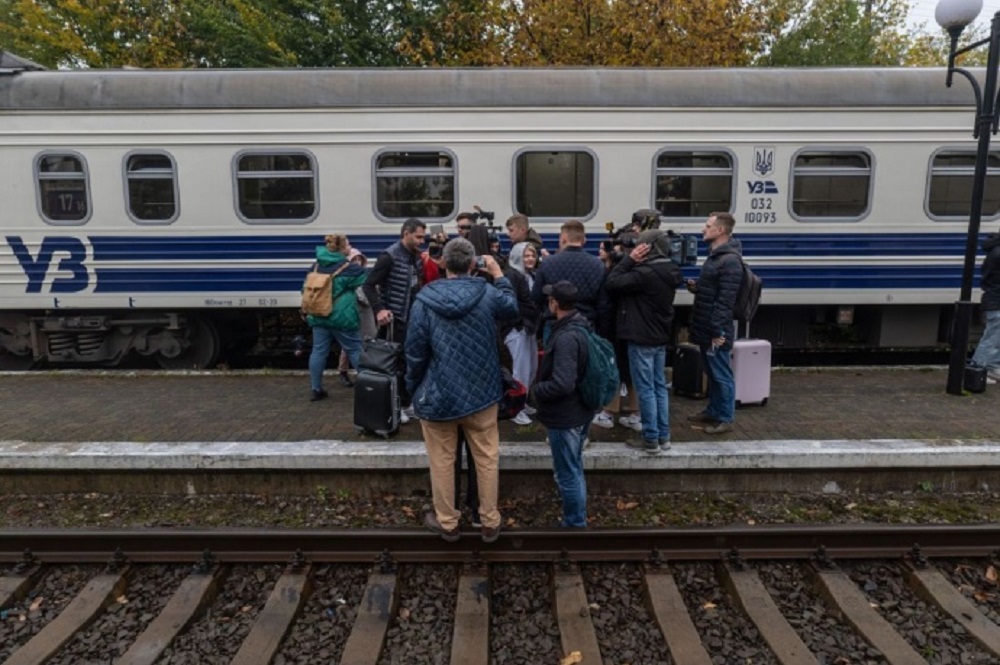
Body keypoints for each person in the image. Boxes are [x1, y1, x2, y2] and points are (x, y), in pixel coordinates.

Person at [405, 237, 518, 543]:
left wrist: (413, 388)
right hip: (482, 393)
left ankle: (448, 522)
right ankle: (489, 520)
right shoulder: (487, 292)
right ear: (472, 265)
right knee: (486, 457)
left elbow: (414, 352)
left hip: (439, 395)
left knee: (442, 460)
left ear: (443, 264)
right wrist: (498, 274)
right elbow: (512, 308)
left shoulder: (425, 299)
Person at [604, 230, 683, 452]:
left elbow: (612, 282)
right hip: (659, 335)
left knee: (645, 387)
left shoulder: (645, 274)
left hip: (641, 336)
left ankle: (650, 438)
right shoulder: (671, 270)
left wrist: (629, 260)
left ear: (647, 248)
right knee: (659, 386)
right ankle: (663, 436)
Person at [529, 280, 593, 528]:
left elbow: (563, 383)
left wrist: (536, 391)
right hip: (580, 410)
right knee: (574, 467)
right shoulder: (581, 325)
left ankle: (575, 523)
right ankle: (576, 517)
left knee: (567, 472)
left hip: (566, 416)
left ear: (554, 303)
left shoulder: (567, 336)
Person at [362, 218, 426, 422]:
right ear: (406, 233)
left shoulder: (415, 257)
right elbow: (368, 285)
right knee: (394, 364)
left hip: (410, 317)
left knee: (408, 363)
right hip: (394, 320)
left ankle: (405, 404)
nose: (421, 241)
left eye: (422, 237)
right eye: (418, 237)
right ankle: (395, 405)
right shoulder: (389, 256)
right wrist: (380, 310)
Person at [686, 212, 743, 434]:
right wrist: (698, 288)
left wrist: (717, 330)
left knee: (721, 374)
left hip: (715, 329)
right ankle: (713, 411)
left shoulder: (729, 261)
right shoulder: (717, 257)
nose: (703, 229)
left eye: (708, 226)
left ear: (720, 231)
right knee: (712, 372)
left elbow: (726, 300)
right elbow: (716, 291)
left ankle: (725, 418)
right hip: (707, 325)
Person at [306, 234, 368, 402]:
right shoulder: (350, 268)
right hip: (342, 315)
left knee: (318, 351)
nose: (350, 246)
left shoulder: (316, 265)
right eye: (348, 244)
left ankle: (316, 389)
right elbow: (366, 283)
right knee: (354, 349)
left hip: (318, 313)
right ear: (342, 248)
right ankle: (369, 387)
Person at [531, 220, 607, 326]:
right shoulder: (598, 265)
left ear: (563, 239)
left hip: (554, 323)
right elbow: (603, 304)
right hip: (586, 323)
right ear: (583, 240)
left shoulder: (547, 263)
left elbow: (536, 297)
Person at [336, 248, 375, 387]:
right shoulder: (351, 277)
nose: (358, 262)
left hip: (361, 313)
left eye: (359, 259)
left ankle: (358, 371)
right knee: (352, 344)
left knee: (358, 343)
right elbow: (363, 296)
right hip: (355, 313)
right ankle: (346, 371)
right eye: (354, 260)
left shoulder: (361, 275)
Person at [972, 228, 1000, 383]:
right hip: (997, 300)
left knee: (996, 337)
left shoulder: (995, 250)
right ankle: (978, 368)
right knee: (992, 337)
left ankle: (992, 367)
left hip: (993, 299)